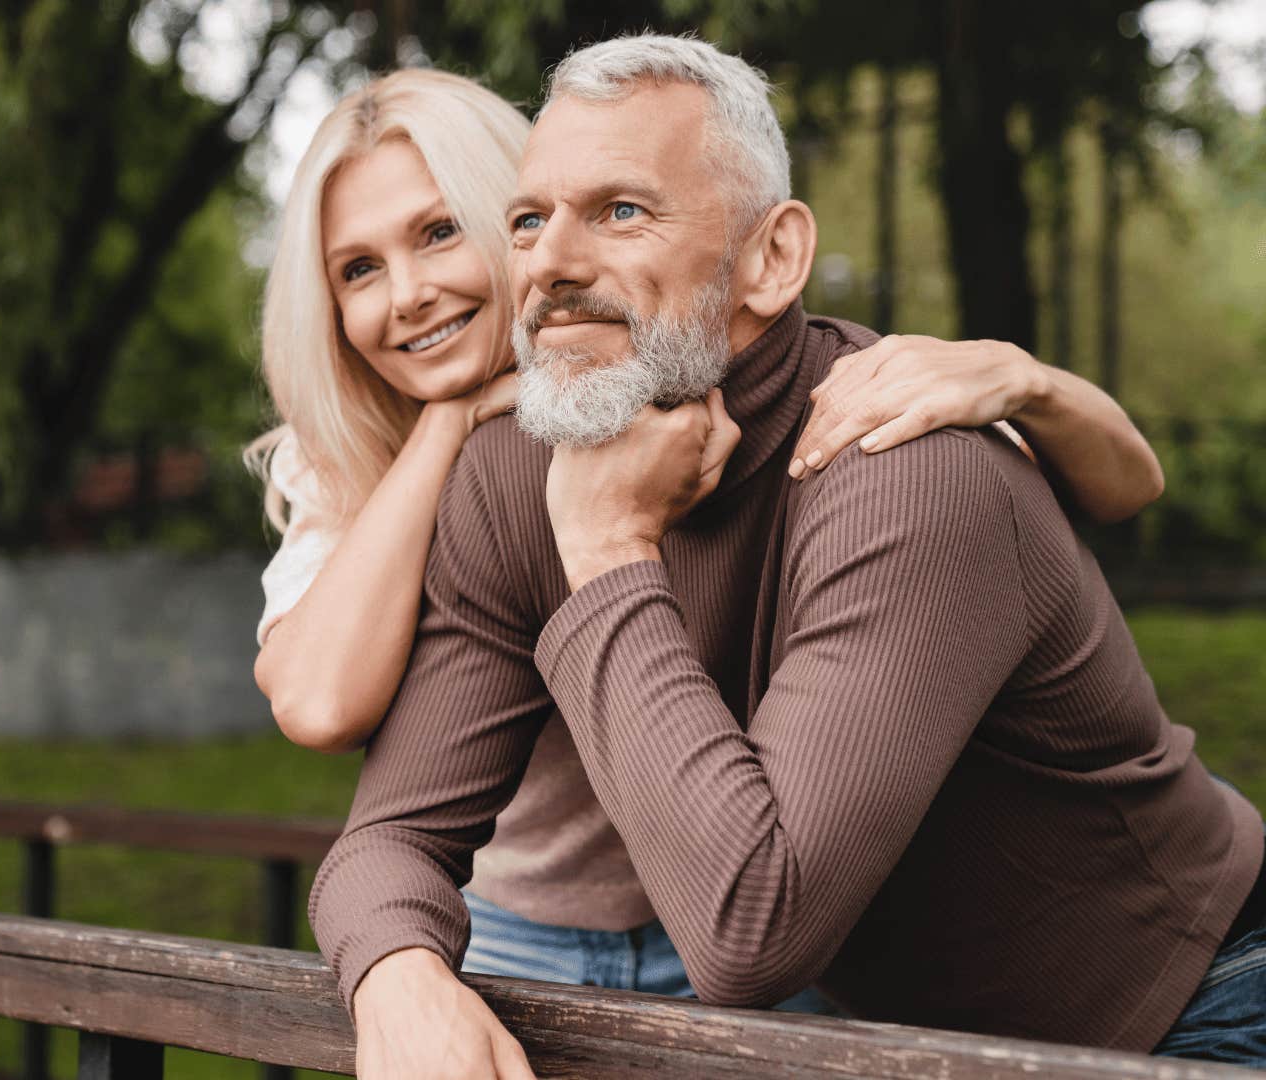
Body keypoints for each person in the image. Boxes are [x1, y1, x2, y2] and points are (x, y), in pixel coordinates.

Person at [304, 34, 1266, 1078]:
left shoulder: (907, 472)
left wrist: (608, 547)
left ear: (773, 259)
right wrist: (396, 972)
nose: (551, 263)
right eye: (530, 220)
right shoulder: (509, 477)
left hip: (1181, 1011)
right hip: (913, 1045)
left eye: (621, 211)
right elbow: (387, 837)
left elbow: (749, 931)